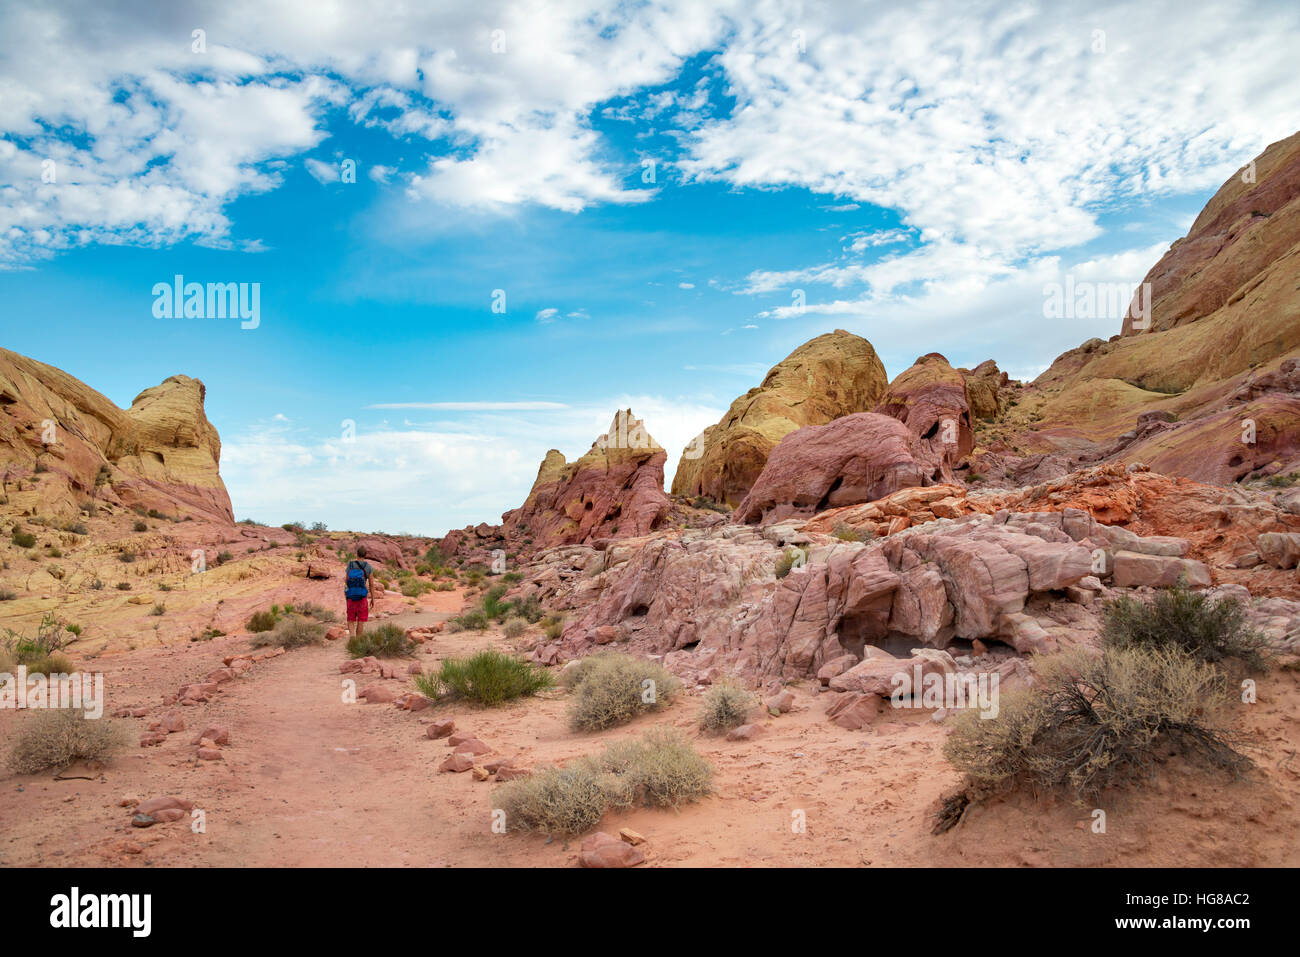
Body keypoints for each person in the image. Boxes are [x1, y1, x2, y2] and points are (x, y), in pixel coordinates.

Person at [344, 545, 376, 637]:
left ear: (357, 554)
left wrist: (346, 595)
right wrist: (373, 599)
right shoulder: (368, 567)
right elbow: (371, 584)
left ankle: (352, 639)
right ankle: (357, 642)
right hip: (362, 597)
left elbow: (346, 582)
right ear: (365, 555)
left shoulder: (350, 565)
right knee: (361, 621)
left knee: (350, 620)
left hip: (351, 597)